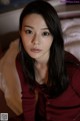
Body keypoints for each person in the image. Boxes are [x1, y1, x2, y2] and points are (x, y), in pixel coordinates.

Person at [16, 0, 80, 121]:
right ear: (20, 32)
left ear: (54, 36)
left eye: (45, 33)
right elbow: (27, 97)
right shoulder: (21, 60)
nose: (36, 41)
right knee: (2, 117)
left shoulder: (74, 72)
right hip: (40, 116)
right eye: (29, 31)